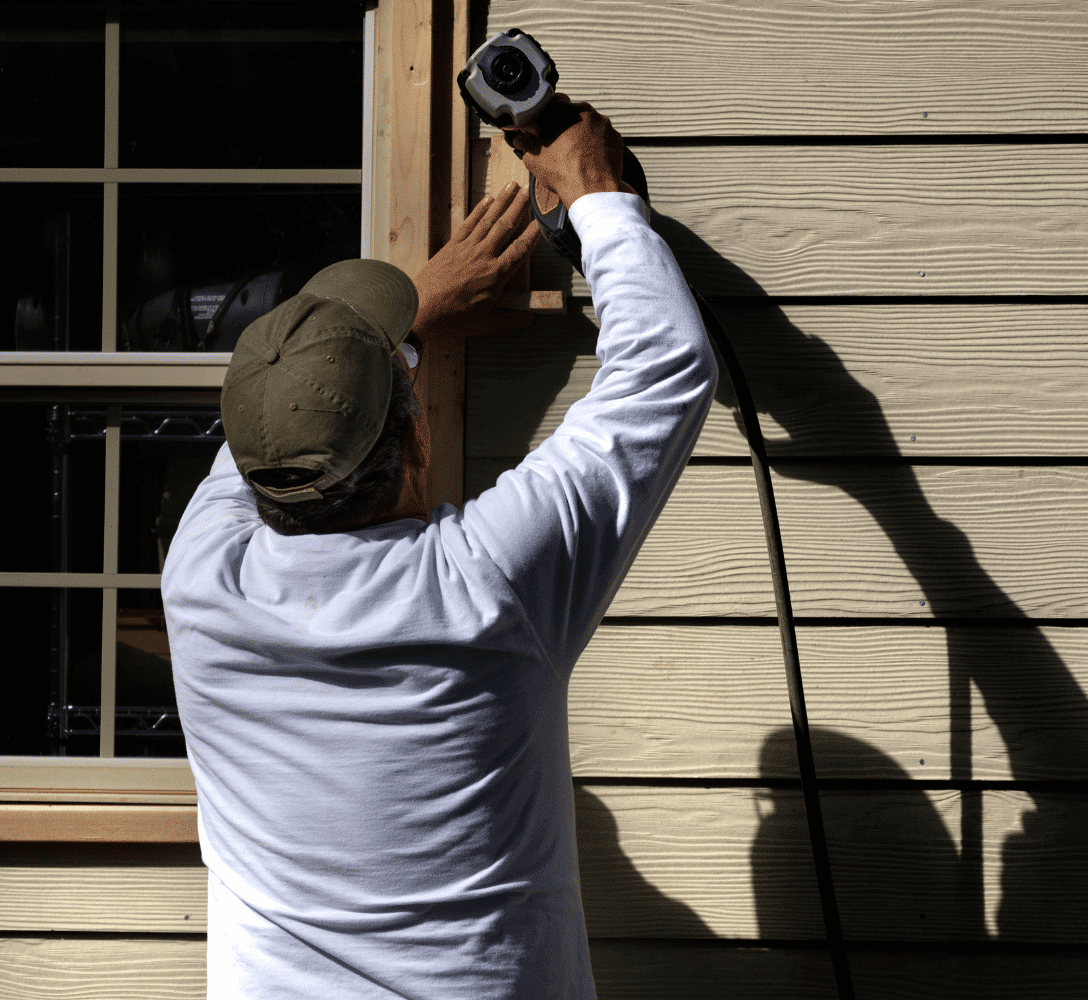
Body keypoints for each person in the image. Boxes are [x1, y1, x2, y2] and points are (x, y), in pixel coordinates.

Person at [162, 100, 716, 999]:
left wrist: (413, 311)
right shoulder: (485, 584)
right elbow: (666, 367)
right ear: (417, 444)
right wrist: (599, 195)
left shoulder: (198, 576)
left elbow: (277, 427)